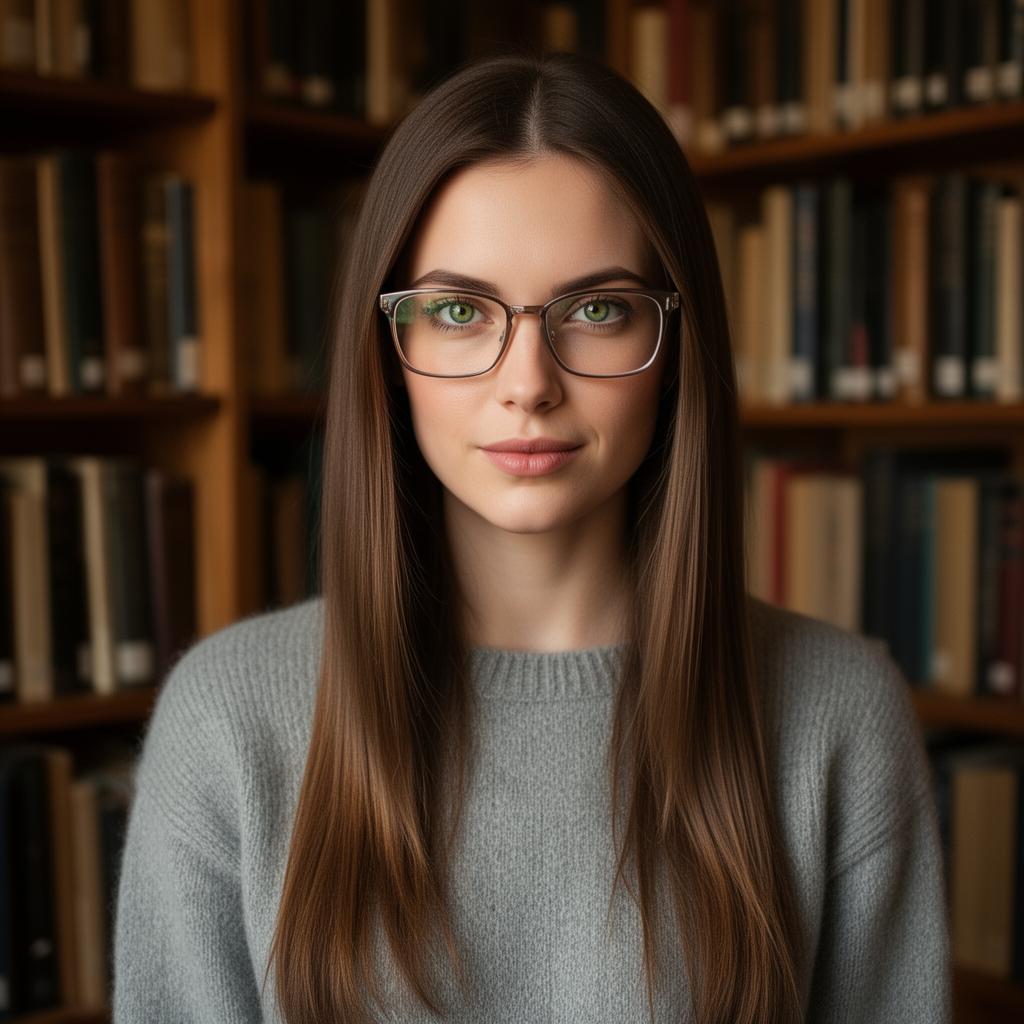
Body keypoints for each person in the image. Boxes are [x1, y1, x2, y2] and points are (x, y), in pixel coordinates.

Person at [111, 51, 951, 1024]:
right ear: (389, 350)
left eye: (596, 310)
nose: (527, 383)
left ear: (675, 347)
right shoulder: (226, 722)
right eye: (458, 311)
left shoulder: (839, 717)